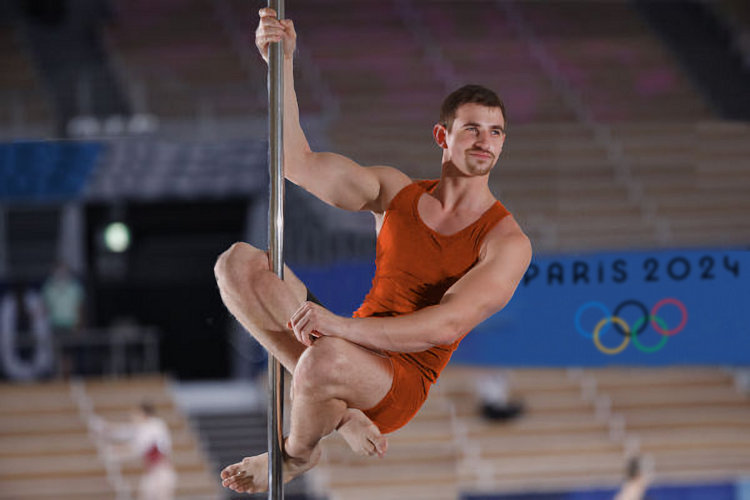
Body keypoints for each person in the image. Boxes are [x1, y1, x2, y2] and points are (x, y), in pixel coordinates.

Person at [215, 8, 532, 494]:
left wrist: (338, 327)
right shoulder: (393, 192)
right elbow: (296, 163)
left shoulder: (506, 242)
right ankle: (340, 418)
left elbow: (445, 325)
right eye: (471, 128)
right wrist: (279, 64)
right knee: (237, 263)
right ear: (442, 137)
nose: (485, 141)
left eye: (496, 132)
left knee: (324, 361)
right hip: (347, 345)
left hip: (399, 380)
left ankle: (296, 453)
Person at [92, 402, 177, 500]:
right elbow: (124, 431)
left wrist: (114, 451)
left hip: (162, 473)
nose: (132, 418)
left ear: (143, 414)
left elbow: (138, 447)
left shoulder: (155, 426)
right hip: (152, 472)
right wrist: (104, 427)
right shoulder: (142, 427)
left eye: (135, 414)